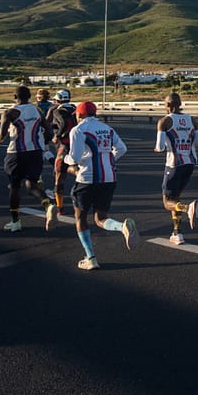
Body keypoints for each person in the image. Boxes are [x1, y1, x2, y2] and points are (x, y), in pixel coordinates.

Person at [64, 100, 139, 270]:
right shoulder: (107, 129)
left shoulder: (78, 130)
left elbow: (74, 158)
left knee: (80, 218)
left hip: (87, 179)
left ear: (80, 114)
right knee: (100, 218)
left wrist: (65, 160)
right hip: (109, 177)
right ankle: (122, 227)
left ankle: (90, 257)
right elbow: (122, 149)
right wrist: (109, 159)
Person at [0, 86, 53, 232]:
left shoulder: (10, 112)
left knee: (14, 187)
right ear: (30, 96)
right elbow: (48, 131)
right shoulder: (37, 110)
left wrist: (0, 138)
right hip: (35, 152)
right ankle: (47, 204)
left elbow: (1, 136)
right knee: (32, 185)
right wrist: (42, 143)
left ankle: (16, 222)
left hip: (17, 153)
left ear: (15, 96)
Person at [154, 93, 198, 245]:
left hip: (174, 164)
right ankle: (177, 233)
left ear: (168, 105)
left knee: (167, 202)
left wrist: (156, 148)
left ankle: (188, 208)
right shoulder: (192, 120)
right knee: (175, 198)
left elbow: (160, 147)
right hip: (190, 163)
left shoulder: (164, 121)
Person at [43, 88, 77, 230]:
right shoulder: (75, 109)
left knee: (59, 174)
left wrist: (58, 135)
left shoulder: (57, 110)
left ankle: (60, 206)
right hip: (78, 144)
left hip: (64, 145)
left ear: (57, 99)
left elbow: (61, 123)